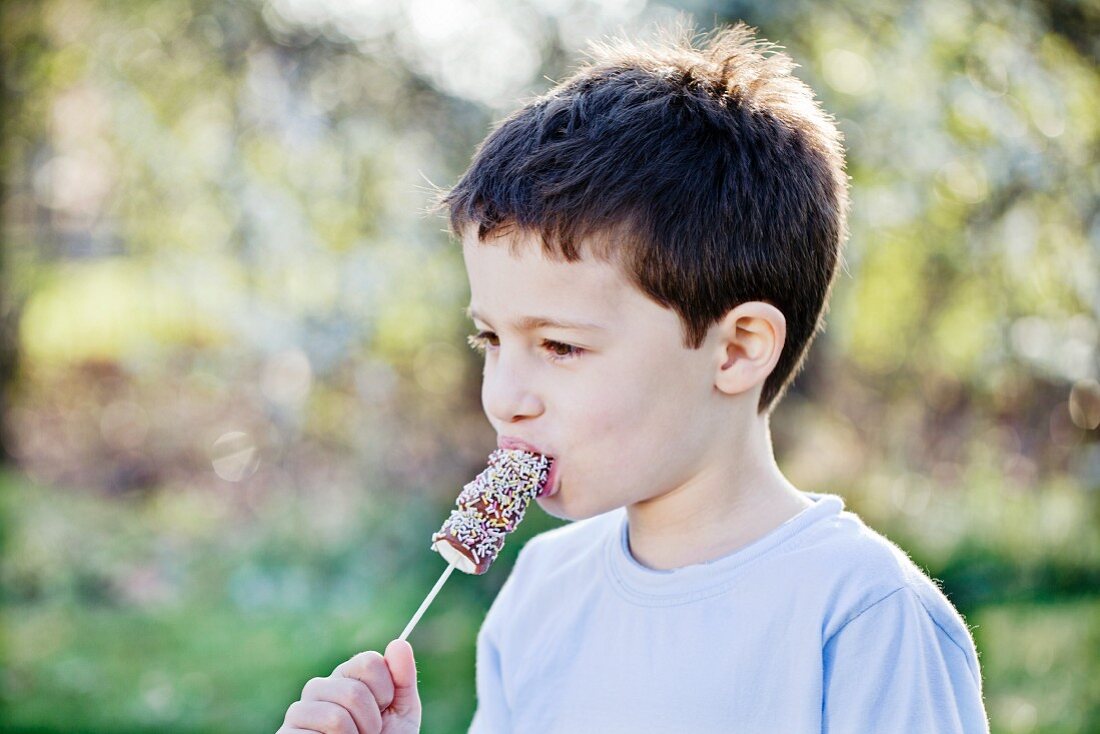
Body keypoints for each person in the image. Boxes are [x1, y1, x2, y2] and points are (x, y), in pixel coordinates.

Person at [277, 21, 990, 734]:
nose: (504, 397)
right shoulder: (541, 594)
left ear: (737, 349)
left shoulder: (862, 616)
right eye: (489, 338)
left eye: (558, 346)